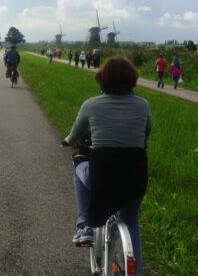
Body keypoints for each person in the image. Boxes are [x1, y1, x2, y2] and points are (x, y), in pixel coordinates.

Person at [62, 56, 151, 275]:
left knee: (79, 162)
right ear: (132, 79)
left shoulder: (91, 105)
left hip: (103, 176)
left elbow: (74, 135)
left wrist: (69, 141)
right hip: (136, 177)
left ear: (102, 79)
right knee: (130, 221)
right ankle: (136, 272)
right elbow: (146, 136)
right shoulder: (143, 105)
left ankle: (84, 226)